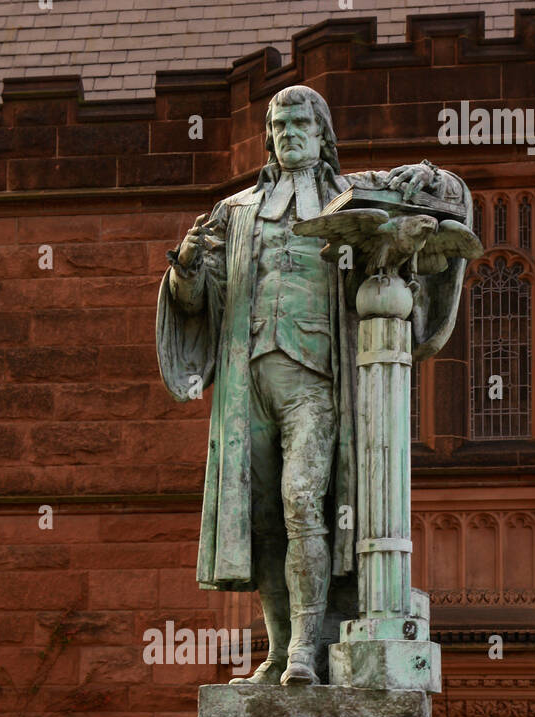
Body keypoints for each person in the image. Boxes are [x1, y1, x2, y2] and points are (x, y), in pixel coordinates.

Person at [157, 83, 470, 685]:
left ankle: (307, 648)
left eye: (301, 122)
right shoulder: (236, 212)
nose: (289, 133)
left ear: (323, 134)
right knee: (264, 516)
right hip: (246, 387)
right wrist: (187, 268)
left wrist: (424, 191)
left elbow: (441, 204)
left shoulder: (353, 203)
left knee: (305, 502)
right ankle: (278, 651)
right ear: (270, 137)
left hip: (318, 381)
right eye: (279, 125)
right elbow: (197, 303)